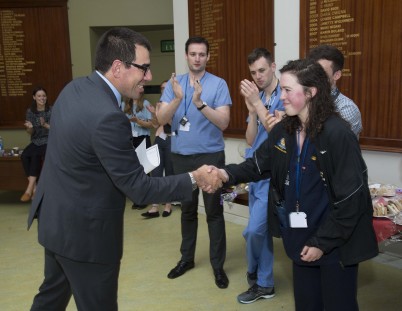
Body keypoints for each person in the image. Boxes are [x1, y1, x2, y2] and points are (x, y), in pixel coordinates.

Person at [27, 27, 222, 311]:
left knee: (50, 299)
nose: (149, 76)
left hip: (56, 224)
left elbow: (79, 155)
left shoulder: (73, 89)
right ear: (118, 67)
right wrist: (195, 177)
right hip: (87, 239)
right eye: (144, 68)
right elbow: (140, 190)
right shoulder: (108, 117)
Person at [217, 58, 378, 310]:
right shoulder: (285, 130)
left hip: (334, 244)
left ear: (311, 92)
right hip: (299, 238)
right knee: (306, 304)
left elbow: (352, 200)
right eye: (281, 89)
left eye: (287, 90)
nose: (281, 97)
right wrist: (224, 175)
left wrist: (321, 243)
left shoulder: (337, 134)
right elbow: (257, 165)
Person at [157, 36, 232, 289]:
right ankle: (186, 259)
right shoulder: (174, 84)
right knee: (187, 211)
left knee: (214, 212)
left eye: (202, 54)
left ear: (208, 57)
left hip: (211, 156)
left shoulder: (219, 84)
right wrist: (178, 99)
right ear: (186, 55)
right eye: (193, 54)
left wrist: (200, 103)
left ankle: (218, 266)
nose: (197, 58)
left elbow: (223, 122)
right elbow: (161, 118)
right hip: (181, 156)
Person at [236, 48, 284, 304]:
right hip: (255, 173)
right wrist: (253, 112)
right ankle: (265, 284)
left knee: (253, 232)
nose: (258, 76)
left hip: (273, 175)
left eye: (262, 70)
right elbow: (251, 139)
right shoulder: (258, 97)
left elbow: (277, 134)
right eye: (253, 72)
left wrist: (256, 102)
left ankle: (254, 271)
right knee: (258, 233)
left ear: (273, 66)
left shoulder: (284, 96)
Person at [307, 44, 362, 137]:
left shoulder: (346, 108)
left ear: (336, 75)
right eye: (312, 71)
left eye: (321, 72)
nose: (315, 76)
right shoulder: (305, 99)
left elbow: (326, 141)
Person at [142, 80, 175, 218]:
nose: (163, 90)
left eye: (166, 88)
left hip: (171, 140)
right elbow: (156, 125)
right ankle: (155, 206)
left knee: (169, 172)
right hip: (159, 139)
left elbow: (176, 124)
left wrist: (162, 114)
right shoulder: (160, 104)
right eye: (162, 88)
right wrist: (155, 114)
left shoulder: (176, 103)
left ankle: (168, 204)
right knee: (155, 172)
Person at [122, 93, 153, 210]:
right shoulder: (124, 105)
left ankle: (145, 198)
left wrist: (138, 121)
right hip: (129, 139)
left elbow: (151, 124)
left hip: (142, 138)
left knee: (144, 169)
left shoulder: (145, 104)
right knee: (133, 169)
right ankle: (137, 198)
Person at [20, 86, 51, 202]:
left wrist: (46, 125)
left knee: (35, 155)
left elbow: (57, 129)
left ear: (46, 97)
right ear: (34, 97)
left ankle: (29, 189)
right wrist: (30, 128)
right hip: (35, 141)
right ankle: (35, 187)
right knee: (24, 156)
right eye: (39, 96)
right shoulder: (30, 111)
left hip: (48, 140)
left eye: (43, 96)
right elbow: (30, 132)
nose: (42, 98)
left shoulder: (51, 110)